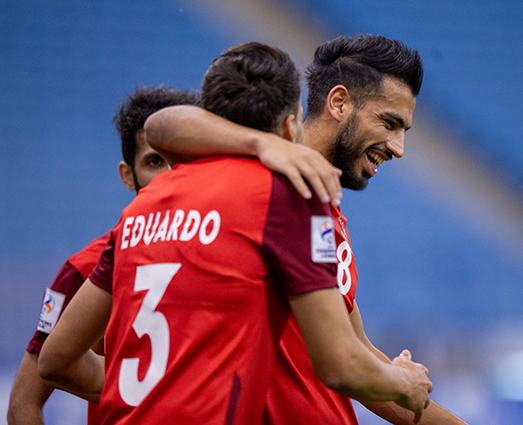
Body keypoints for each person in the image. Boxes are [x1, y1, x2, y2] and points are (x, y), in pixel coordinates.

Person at [38, 42, 432, 425]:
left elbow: (56, 360)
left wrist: (159, 388)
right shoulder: (284, 202)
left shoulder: (141, 209)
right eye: (389, 123)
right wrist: (405, 382)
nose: (398, 148)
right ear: (290, 125)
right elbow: (341, 363)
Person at [144, 35, 467, 425]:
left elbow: (356, 353)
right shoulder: (261, 186)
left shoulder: (322, 212)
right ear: (339, 102)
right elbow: (160, 126)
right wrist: (262, 145)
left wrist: (409, 389)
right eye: (389, 123)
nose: (398, 148)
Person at [7, 86, 199, 425]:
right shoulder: (83, 268)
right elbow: (23, 404)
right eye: (154, 161)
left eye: (181, 159)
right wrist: (144, 385)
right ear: (127, 175)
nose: (170, 175)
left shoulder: (225, 250)